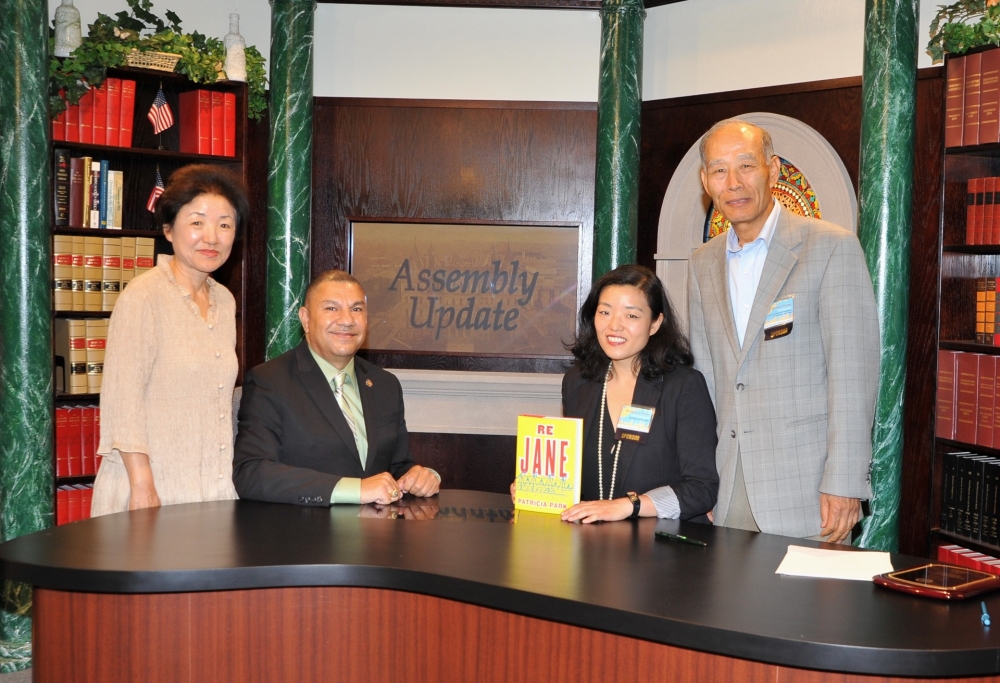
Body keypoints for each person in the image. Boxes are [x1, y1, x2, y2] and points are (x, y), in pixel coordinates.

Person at [687, 118, 880, 542]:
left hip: (810, 490)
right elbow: (705, 378)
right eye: (719, 170)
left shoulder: (830, 246)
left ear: (773, 170)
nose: (733, 182)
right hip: (729, 484)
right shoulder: (701, 262)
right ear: (706, 181)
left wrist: (844, 482)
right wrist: (703, 479)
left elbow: (853, 375)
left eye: (746, 166)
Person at [92, 164, 249, 516]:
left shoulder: (224, 300)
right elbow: (123, 400)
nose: (212, 237)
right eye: (197, 222)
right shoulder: (144, 295)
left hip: (210, 487)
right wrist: (143, 488)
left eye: (225, 224)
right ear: (168, 229)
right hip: (151, 490)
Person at [512, 264, 718, 523]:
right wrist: (539, 487)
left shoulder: (683, 386)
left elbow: (701, 488)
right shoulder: (578, 382)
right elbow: (576, 478)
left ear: (655, 323)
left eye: (631, 316)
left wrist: (629, 505)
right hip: (592, 540)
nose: (614, 326)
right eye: (605, 312)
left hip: (661, 541)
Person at [232, 270, 440, 506]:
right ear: (306, 319)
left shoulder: (386, 384)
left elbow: (397, 466)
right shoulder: (270, 381)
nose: (347, 320)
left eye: (357, 309)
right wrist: (354, 489)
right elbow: (251, 472)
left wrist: (420, 477)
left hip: (377, 528)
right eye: (331, 308)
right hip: (301, 527)